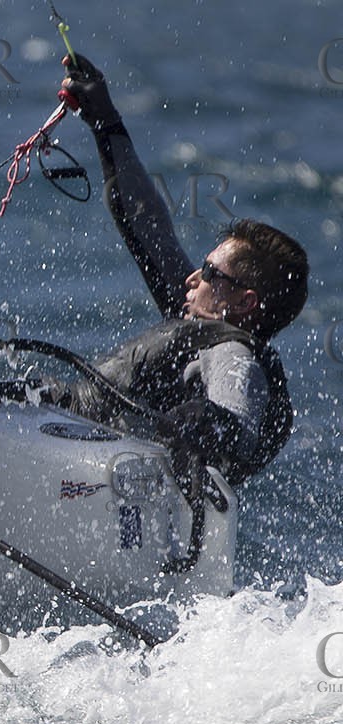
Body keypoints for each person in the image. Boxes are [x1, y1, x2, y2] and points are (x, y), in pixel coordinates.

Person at [47, 54, 308, 485]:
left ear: (244, 302)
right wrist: (105, 121)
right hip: (58, 426)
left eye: (209, 273)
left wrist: (207, 423)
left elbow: (237, 421)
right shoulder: (196, 319)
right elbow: (147, 223)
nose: (192, 277)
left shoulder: (233, 356)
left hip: (92, 478)